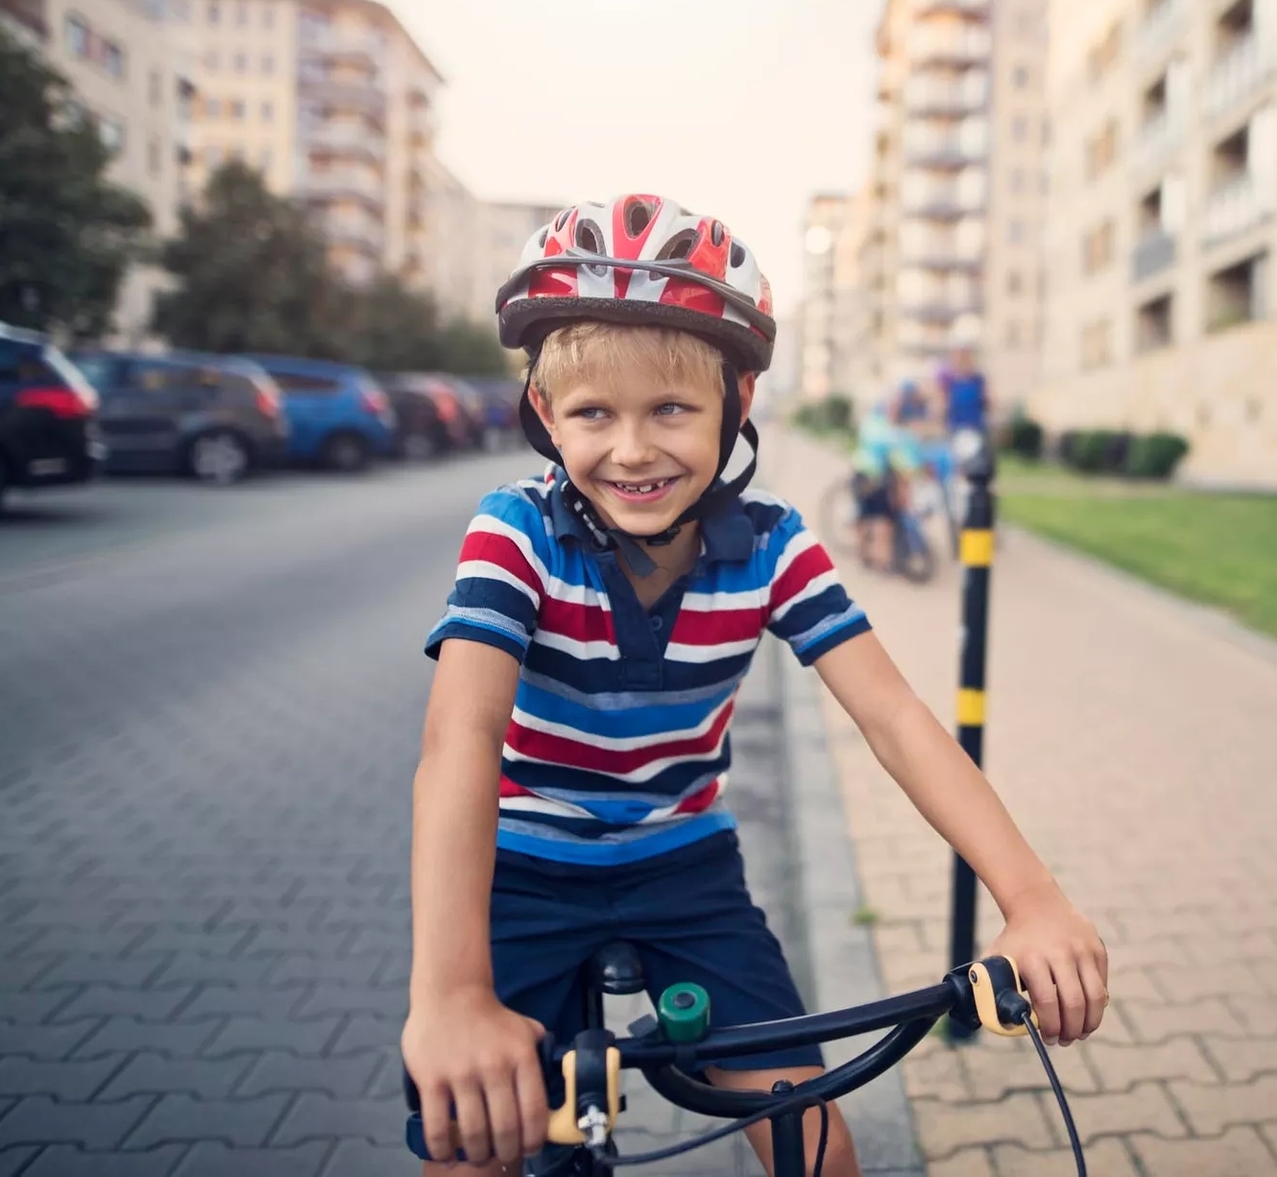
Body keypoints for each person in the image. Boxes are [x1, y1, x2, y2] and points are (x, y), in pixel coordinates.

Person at [401, 194, 1107, 1177]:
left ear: (737, 406)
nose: (633, 448)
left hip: (686, 867)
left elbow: (896, 718)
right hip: (521, 865)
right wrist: (448, 994)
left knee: (813, 1145)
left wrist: (1032, 899)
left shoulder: (773, 543)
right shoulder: (514, 531)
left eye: (673, 409)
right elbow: (460, 743)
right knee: (472, 1141)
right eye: (593, 411)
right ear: (542, 415)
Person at [850, 389, 924, 572]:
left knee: (867, 516)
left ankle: (867, 556)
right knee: (882, 519)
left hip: (864, 473)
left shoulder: (874, 423)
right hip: (874, 477)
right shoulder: (885, 429)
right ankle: (881, 560)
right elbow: (897, 455)